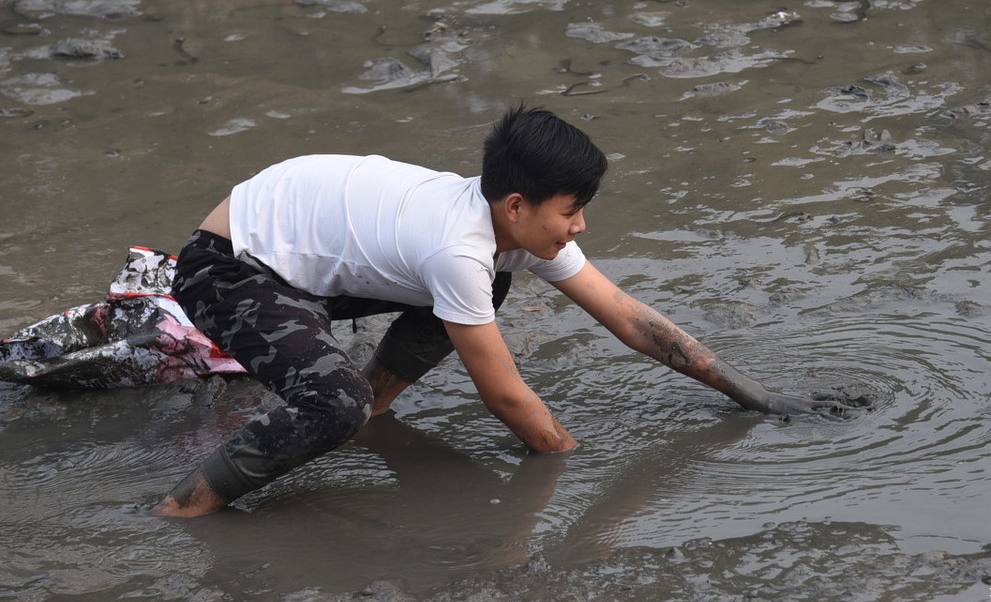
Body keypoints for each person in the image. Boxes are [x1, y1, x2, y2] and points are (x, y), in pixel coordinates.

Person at [153, 104, 861, 517]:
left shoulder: (508, 229)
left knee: (484, 294)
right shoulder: (459, 245)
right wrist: (569, 469)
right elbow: (505, 394)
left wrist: (756, 395)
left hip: (302, 255)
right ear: (517, 204)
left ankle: (373, 403)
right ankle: (189, 504)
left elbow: (628, 317)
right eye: (572, 211)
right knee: (330, 405)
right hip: (229, 265)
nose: (580, 226)